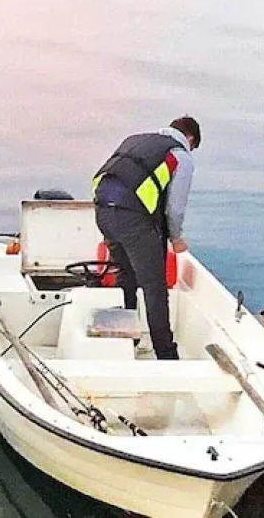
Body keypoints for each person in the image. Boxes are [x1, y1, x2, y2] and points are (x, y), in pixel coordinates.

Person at [91, 117, 201, 361]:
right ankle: (166, 356)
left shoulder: (135, 140)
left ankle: (128, 339)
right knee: (155, 288)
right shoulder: (179, 155)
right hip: (132, 220)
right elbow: (175, 208)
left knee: (126, 275)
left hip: (102, 212)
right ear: (191, 139)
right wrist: (176, 237)